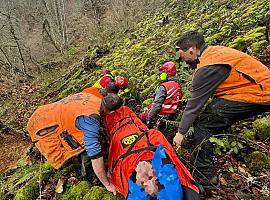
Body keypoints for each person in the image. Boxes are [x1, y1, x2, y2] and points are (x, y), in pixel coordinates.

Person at [172, 31, 270, 188]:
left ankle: (205, 177)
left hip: (258, 92)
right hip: (256, 87)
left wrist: (181, 133)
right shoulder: (215, 52)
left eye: (181, 54)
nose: (180, 58)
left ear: (191, 50)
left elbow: (194, 105)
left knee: (203, 124)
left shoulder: (207, 68)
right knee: (213, 112)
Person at [27, 92, 123, 195]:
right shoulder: (90, 119)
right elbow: (95, 155)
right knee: (86, 151)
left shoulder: (93, 97)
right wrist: (107, 183)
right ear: (111, 111)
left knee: (86, 138)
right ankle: (88, 176)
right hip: (43, 127)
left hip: (45, 113)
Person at [103, 104, 200, 199]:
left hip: (130, 153)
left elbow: (115, 167)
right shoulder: (152, 135)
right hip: (140, 145)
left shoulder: (110, 124)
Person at [139, 61, 182, 127]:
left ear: (167, 73)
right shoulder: (178, 85)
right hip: (172, 115)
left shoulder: (163, 87)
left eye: (163, 73)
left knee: (141, 116)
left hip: (162, 114)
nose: (161, 75)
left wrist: (149, 119)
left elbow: (157, 105)